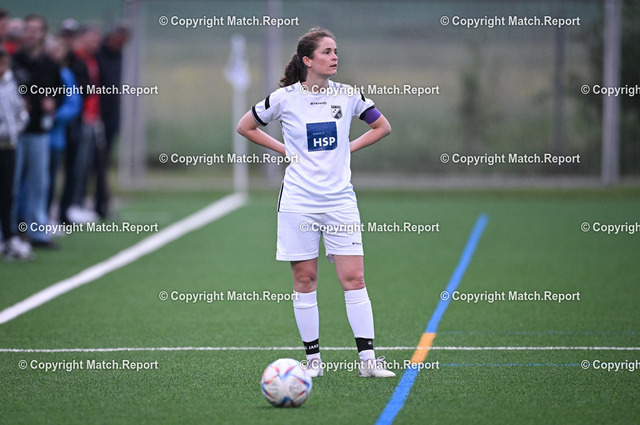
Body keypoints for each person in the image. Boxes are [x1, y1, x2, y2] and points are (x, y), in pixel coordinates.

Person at [237, 28, 394, 378]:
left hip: (340, 202)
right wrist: (283, 150)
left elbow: (382, 126)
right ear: (307, 60)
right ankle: (313, 363)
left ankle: (368, 362)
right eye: (327, 51)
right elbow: (245, 126)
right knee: (305, 279)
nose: (335, 57)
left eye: (336, 51)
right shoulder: (283, 98)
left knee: (354, 278)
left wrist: (348, 149)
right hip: (298, 202)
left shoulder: (349, 95)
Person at [11, 14, 62, 248]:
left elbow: (60, 92)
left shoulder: (49, 64)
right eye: (28, 29)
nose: (31, 34)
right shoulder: (13, 61)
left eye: (36, 30)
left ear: (42, 33)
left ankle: (37, 230)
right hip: (13, 133)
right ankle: (9, 230)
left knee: (38, 184)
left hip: (39, 131)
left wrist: (53, 103)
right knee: (10, 183)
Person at [0, 46, 32, 260]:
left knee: (8, 193)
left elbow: (20, 111)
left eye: (5, 63)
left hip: (9, 146)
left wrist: (16, 130)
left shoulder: (12, 84)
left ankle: (9, 236)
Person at [95, 21, 129, 219]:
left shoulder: (120, 56)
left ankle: (101, 204)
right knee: (94, 162)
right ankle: (92, 204)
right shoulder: (98, 55)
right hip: (96, 115)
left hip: (112, 116)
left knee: (104, 161)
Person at [45, 35, 82, 216]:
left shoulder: (65, 74)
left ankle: (45, 217)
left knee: (50, 180)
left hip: (55, 137)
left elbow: (74, 103)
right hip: (33, 135)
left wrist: (55, 116)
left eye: (58, 50)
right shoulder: (39, 71)